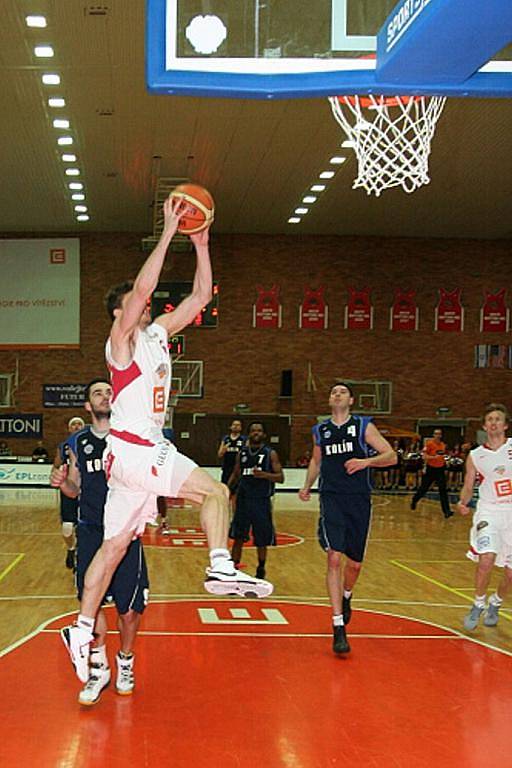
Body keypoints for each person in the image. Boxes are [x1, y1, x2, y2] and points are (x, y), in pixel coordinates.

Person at [60, 196, 272, 683]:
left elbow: (200, 297)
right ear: (118, 313)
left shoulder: (156, 333)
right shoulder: (120, 345)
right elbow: (141, 287)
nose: (143, 305)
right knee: (215, 491)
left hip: (130, 463)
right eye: (132, 305)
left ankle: (81, 626)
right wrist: (168, 233)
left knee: (110, 553)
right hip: (138, 448)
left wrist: (201, 243)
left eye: (143, 305)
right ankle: (220, 564)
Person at [51, 379, 148, 705]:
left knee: (130, 610)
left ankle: (125, 661)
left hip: (126, 532)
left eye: (109, 392)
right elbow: (75, 489)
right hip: (92, 532)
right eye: (98, 393)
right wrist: (63, 484)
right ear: (88, 407)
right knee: (91, 607)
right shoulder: (77, 443)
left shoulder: (131, 439)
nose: (105, 396)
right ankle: (99, 667)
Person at [299, 382, 396, 655]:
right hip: (331, 497)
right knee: (333, 557)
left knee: (354, 564)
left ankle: (347, 595)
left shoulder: (363, 426)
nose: (337, 394)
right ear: (330, 401)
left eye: (342, 391)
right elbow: (317, 461)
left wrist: (365, 462)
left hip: (358, 499)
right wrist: (307, 485)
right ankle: (338, 625)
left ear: (351, 400)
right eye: (333, 392)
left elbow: (391, 456)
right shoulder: (321, 430)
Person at [457, 403, 512, 630]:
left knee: (510, 573)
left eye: (498, 419)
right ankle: (478, 603)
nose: (493, 422)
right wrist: (462, 501)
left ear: (506, 425)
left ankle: (495, 602)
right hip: (489, 511)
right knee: (486, 558)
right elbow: (469, 485)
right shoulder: (476, 455)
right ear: (484, 426)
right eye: (489, 419)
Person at [228, 421, 284, 579]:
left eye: (259, 431)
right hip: (243, 499)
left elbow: (280, 478)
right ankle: (234, 568)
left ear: (264, 434)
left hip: (261, 500)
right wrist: (225, 489)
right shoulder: (242, 452)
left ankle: (261, 568)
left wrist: (264, 475)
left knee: (261, 537)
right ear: (249, 434)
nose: (256, 433)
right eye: (253, 431)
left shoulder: (270, 453)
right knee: (238, 536)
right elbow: (236, 473)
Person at [52, 416, 86, 570]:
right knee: (67, 528)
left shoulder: (92, 443)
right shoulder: (63, 446)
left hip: (88, 489)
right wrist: (56, 476)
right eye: (74, 424)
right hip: (69, 488)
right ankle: (71, 549)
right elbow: (56, 466)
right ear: (69, 428)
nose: (77, 426)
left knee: (87, 527)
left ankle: (83, 555)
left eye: (80, 424)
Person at [410, 428, 453, 518]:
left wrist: (446, 460)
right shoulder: (429, 444)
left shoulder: (443, 445)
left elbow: (443, 455)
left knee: (443, 490)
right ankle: (415, 500)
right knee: (424, 488)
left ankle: (447, 511)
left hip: (440, 470)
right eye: (436, 434)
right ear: (434, 435)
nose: (438, 436)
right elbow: (424, 456)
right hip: (431, 469)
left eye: (439, 434)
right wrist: (434, 457)